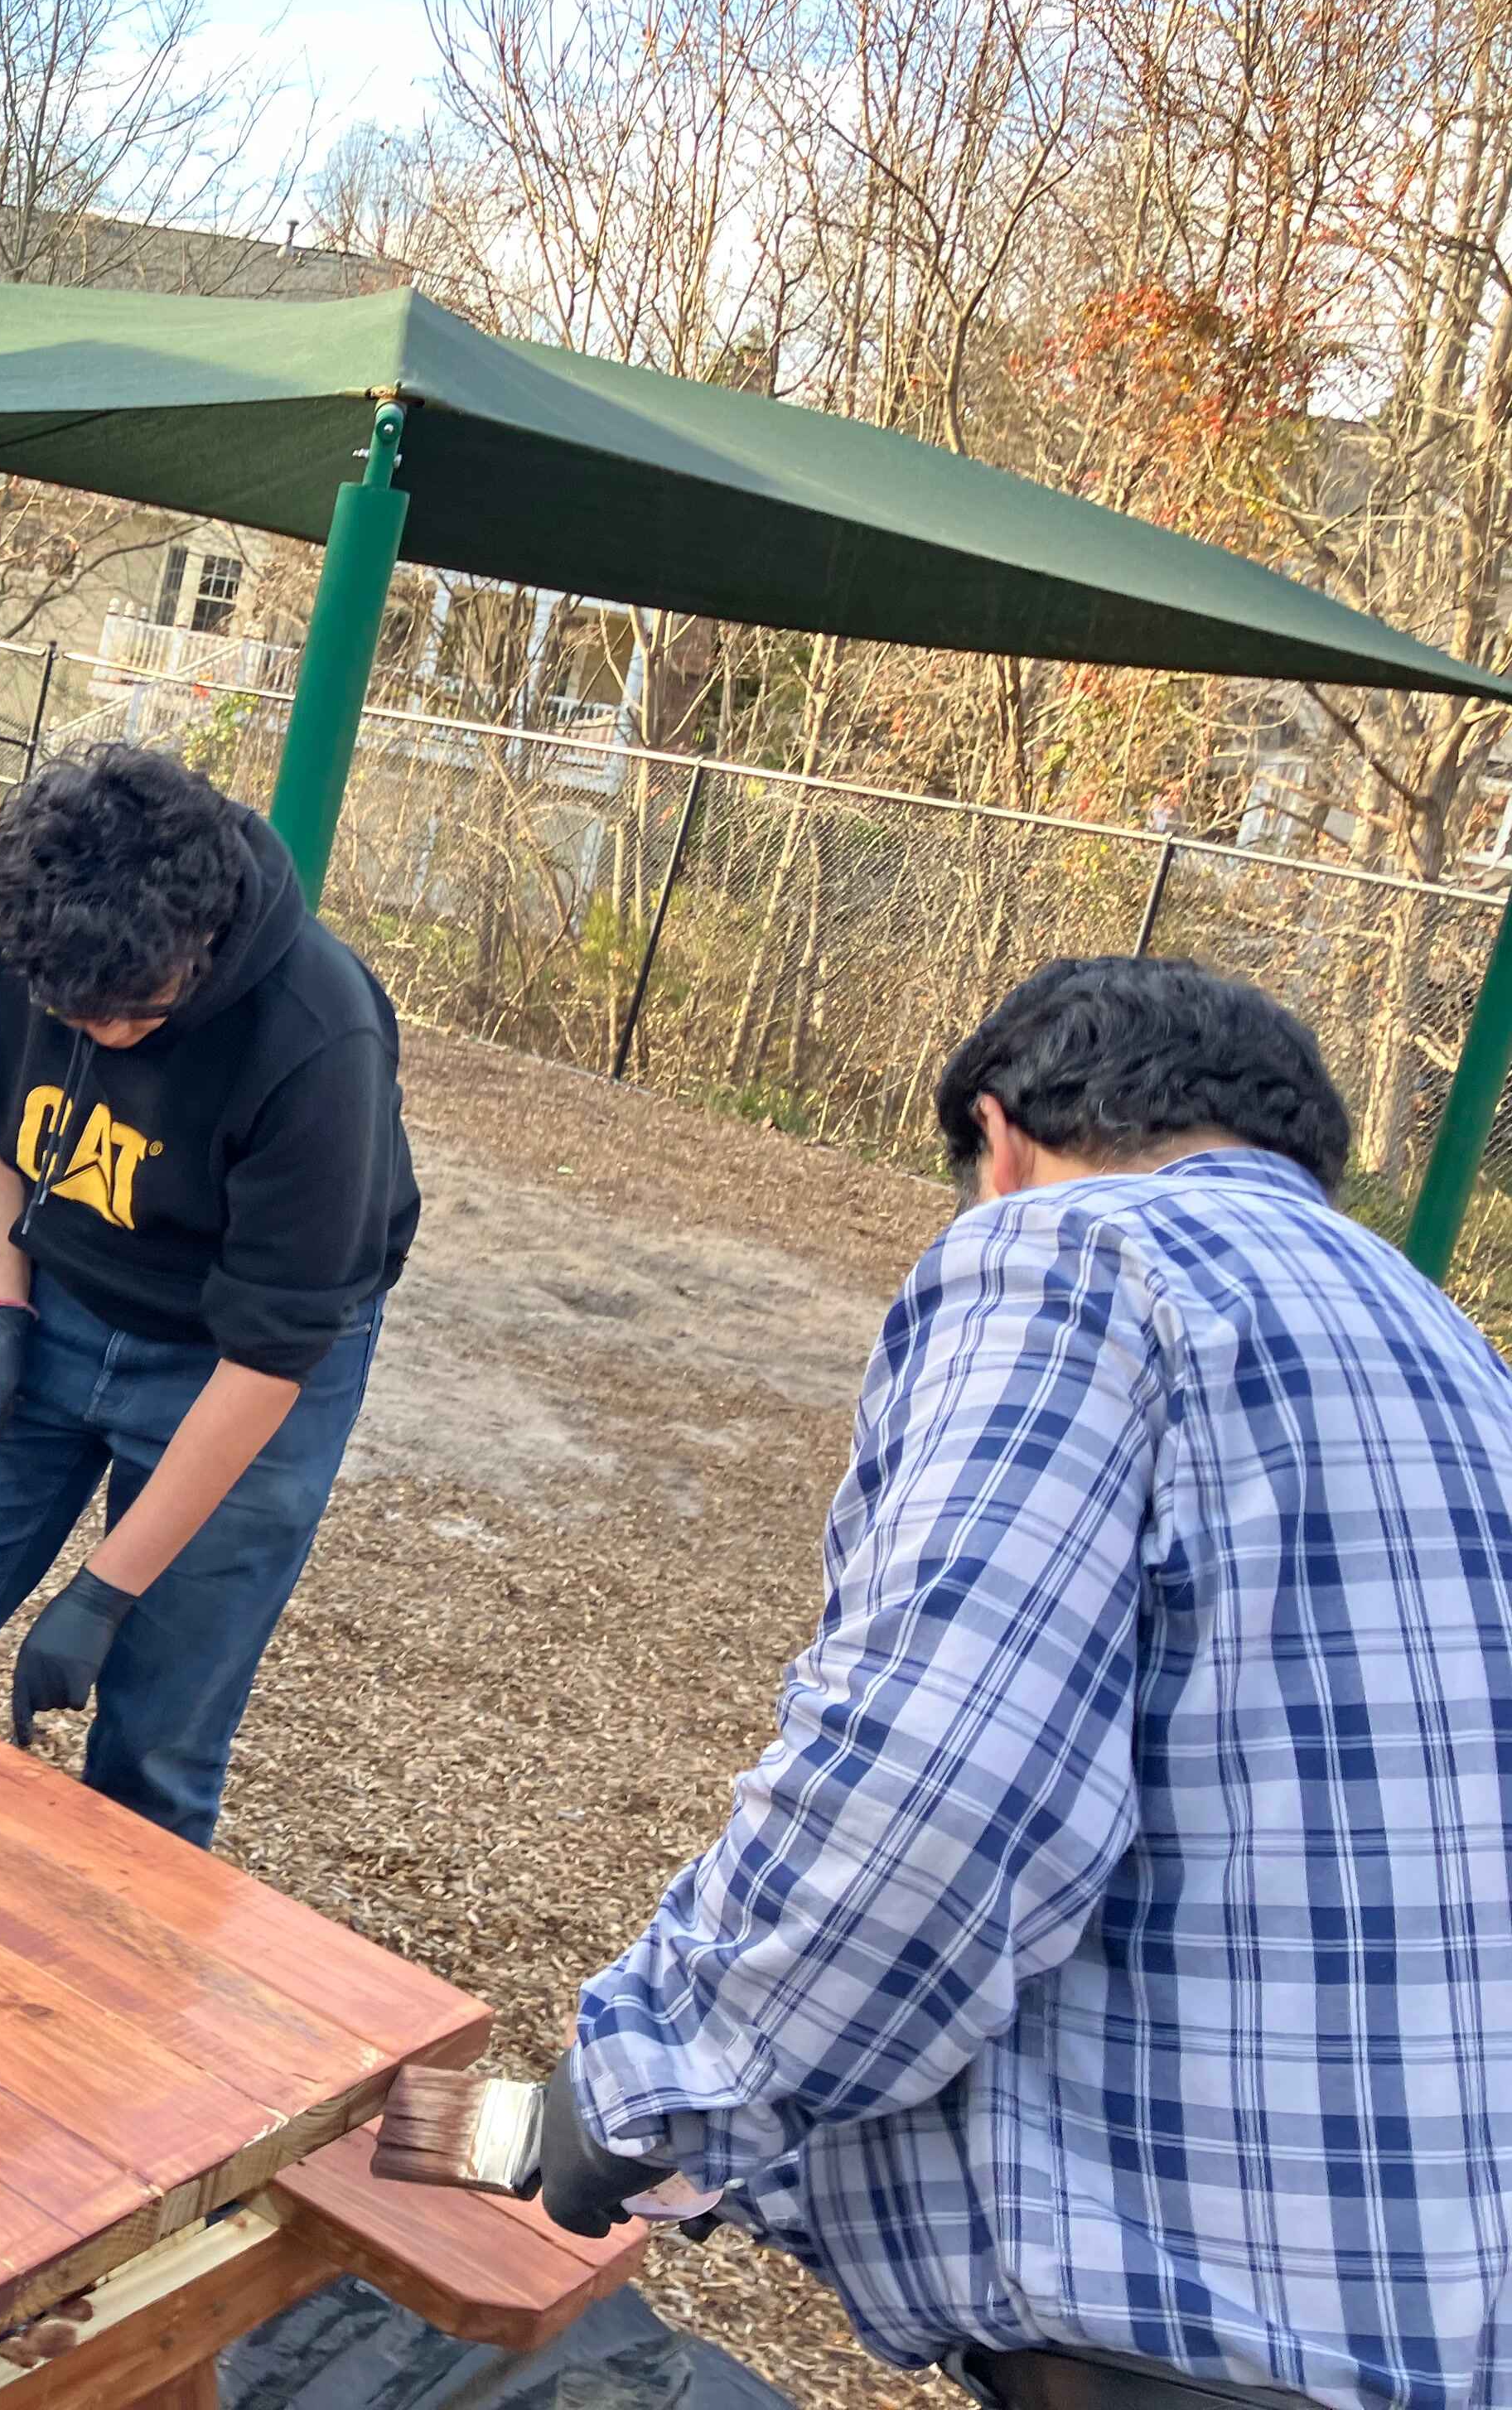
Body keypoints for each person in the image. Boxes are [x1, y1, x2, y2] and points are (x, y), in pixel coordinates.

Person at [523, 960, 1512, 2410]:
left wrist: (634, 2086)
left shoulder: (1081, 1251)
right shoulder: (1459, 1358)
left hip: (1201, 2340)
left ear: (1000, 1138)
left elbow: (931, 1802)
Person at [0, 745, 418, 1846]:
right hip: (48, 1281)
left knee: (156, 1743)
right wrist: (5, 1308)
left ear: (198, 944)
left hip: (234, 1352)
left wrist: (107, 1589)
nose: (94, 1033)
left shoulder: (317, 1034)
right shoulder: (8, 935)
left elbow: (271, 1356)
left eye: (127, 1012)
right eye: (70, 1009)